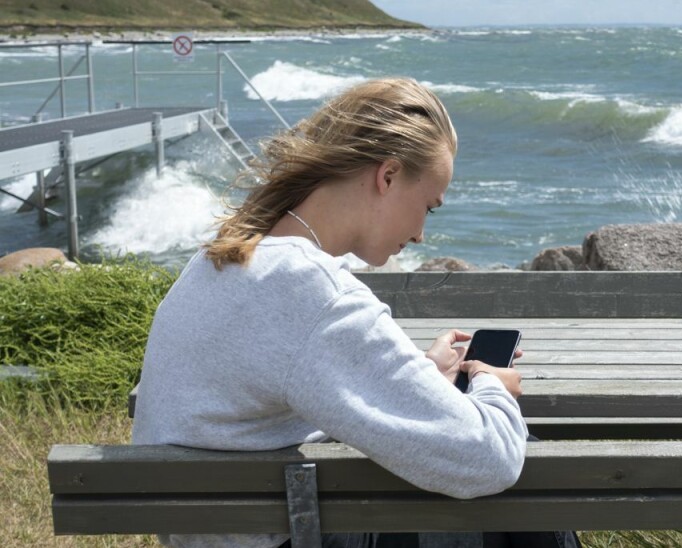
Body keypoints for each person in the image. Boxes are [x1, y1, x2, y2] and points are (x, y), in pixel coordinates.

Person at [131, 78, 580, 548]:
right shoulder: (315, 291)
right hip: (291, 539)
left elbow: (279, 381)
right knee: (512, 456)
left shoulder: (223, 256)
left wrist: (418, 377)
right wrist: (493, 386)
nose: (423, 233)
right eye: (428, 206)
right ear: (387, 176)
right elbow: (489, 460)